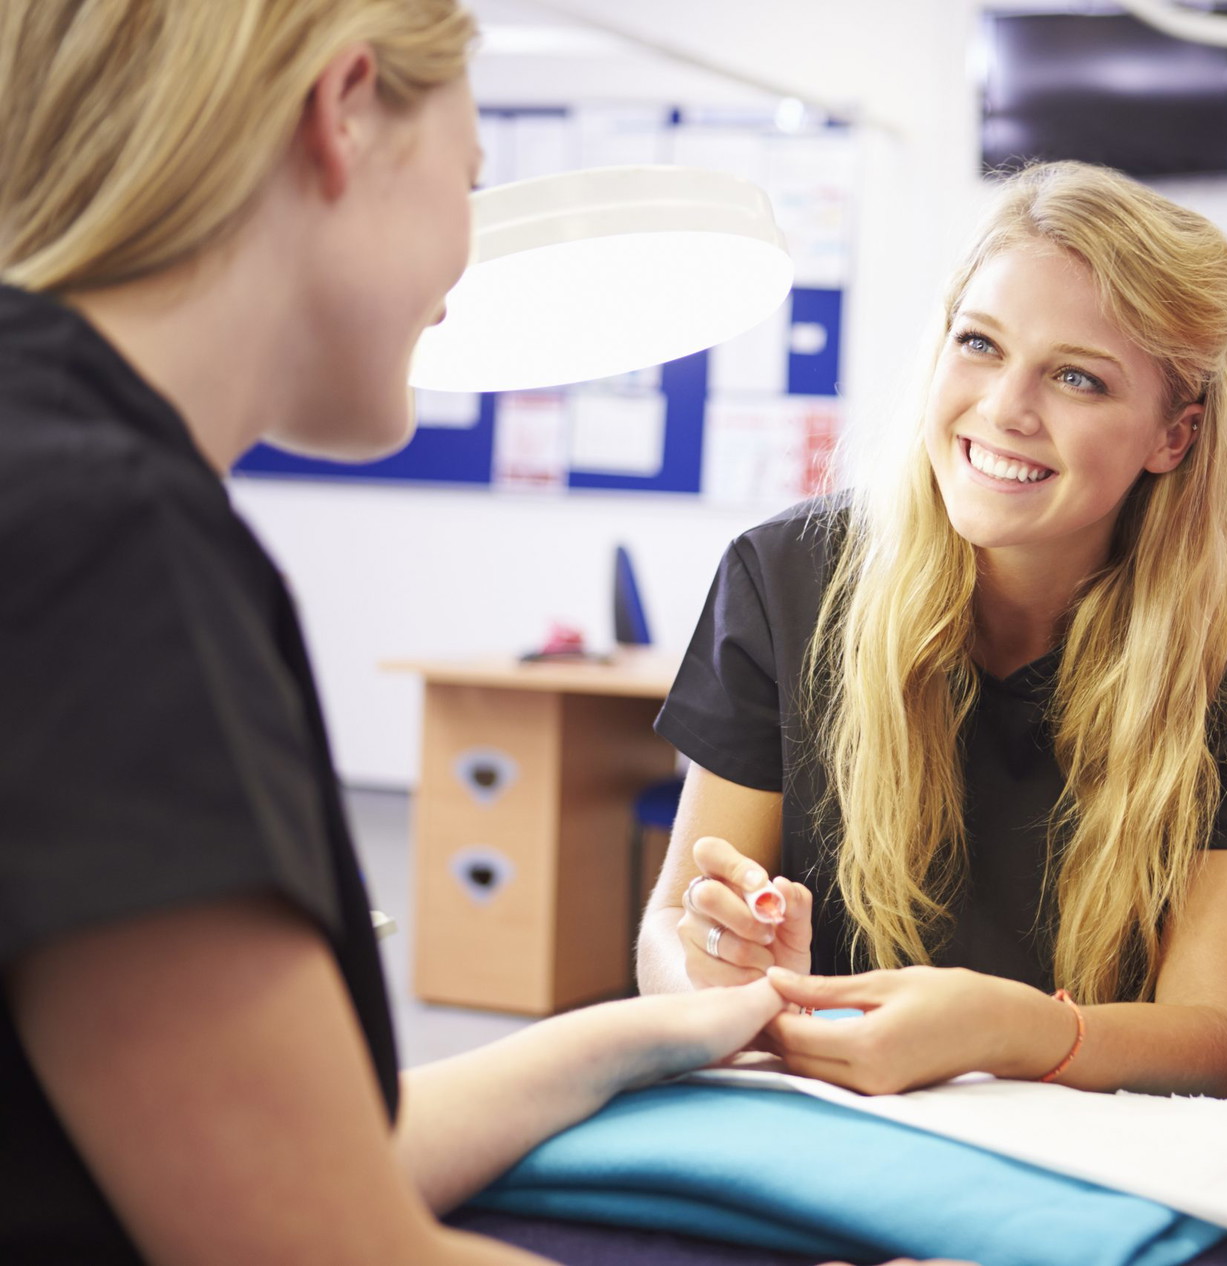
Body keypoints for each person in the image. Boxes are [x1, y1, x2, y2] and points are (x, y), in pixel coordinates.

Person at [0, 5, 957, 1265]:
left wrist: (665, 1029)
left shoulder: (50, 467)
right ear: (342, 111)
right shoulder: (104, 542)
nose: (460, 281)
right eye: (469, 183)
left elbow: (317, 1148)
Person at [637, 161, 1227, 1099]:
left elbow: (1222, 1041)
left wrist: (1010, 1032)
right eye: (979, 344)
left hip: (1104, 1145)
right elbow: (667, 932)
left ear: (1172, 437)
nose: (1005, 410)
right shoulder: (784, 580)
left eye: (1077, 377)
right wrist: (720, 978)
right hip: (830, 1117)